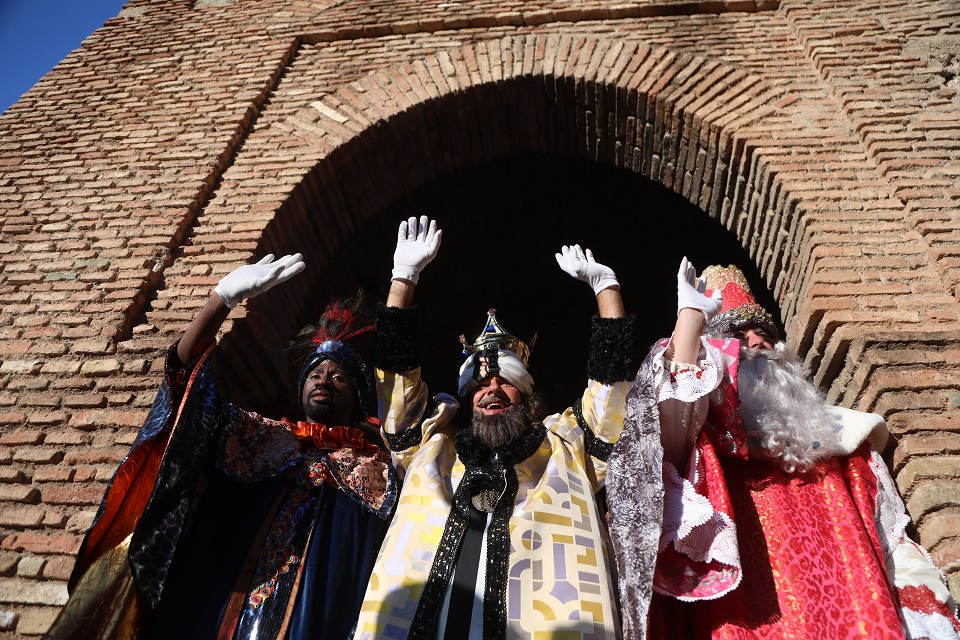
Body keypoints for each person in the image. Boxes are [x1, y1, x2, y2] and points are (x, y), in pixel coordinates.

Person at [606, 259, 960, 640]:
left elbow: (894, 544)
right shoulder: (698, 444)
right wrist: (690, 322)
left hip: (863, 618)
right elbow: (666, 417)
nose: (758, 342)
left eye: (765, 333)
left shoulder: (848, 438)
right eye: (739, 335)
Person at [51, 254, 399, 640]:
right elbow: (186, 389)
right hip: (216, 609)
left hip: (321, 616)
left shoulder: (379, 469)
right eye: (315, 374)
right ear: (299, 390)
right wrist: (219, 301)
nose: (324, 380)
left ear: (358, 397)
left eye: (338, 377)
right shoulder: (252, 434)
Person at [354, 216, 640, 640]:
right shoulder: (431, 445)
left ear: (526, 393)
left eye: (504, 380)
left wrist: (607, 292)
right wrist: (403, 280)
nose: (492, 389)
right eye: (480, 384)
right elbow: (396, 384)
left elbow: (611, 391)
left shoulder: (566, 446)